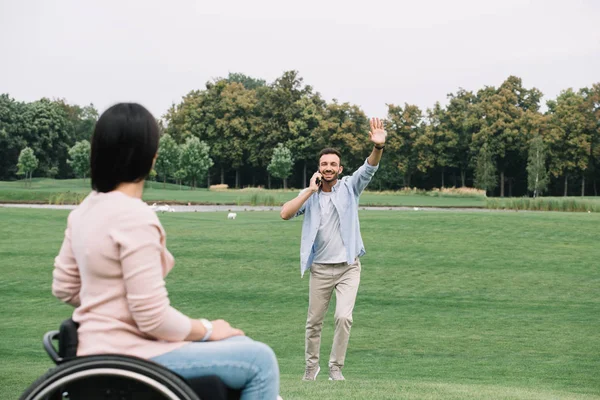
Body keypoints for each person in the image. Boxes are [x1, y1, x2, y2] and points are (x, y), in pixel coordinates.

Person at [52, 103, 281, 400]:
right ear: (152, 157)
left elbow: (64, 288)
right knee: (259, 360)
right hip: (130, 355)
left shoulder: (83, 212)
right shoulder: (134, 217)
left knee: (243, 343)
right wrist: (209, 328)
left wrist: (114, 311)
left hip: (92, 349)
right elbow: (153, 319)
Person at [280, 118, 387, 381]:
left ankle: (335, 368)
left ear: (340, 168)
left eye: (333, 165)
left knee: (343, 318)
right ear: (319, 168)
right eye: (324, 164)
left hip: (348, 268)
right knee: (313, 323)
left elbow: (369, 168)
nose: (329, 168)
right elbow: (285, 213)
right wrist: (308, 190)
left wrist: (378, 147)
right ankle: (310, 367)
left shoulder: (350, 187)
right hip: (320, 270)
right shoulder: (310, 194)